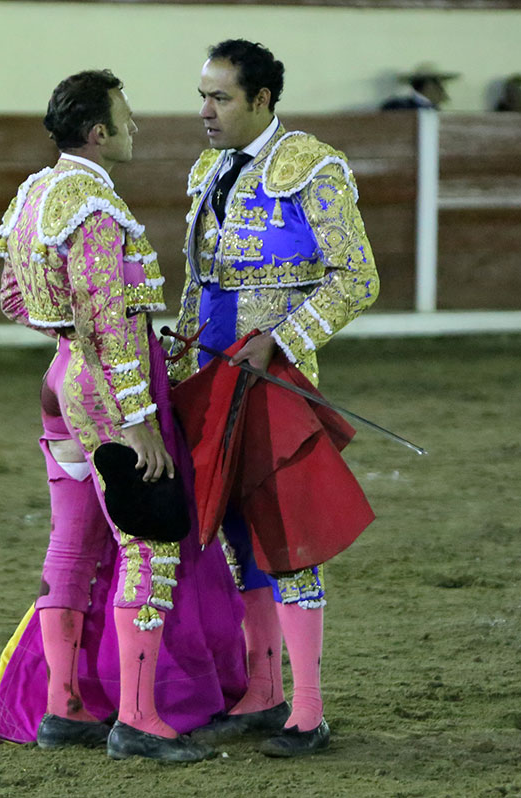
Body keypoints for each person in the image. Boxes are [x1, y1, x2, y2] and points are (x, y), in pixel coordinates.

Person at [0, 69, 246, 763]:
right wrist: (137, 420)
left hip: (61, 381)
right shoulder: (95, 208)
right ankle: (137, 718)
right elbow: (109, 325)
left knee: (71, 545)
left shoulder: (35, 193)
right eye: (127, 118)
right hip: (107, 397)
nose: (138, 128)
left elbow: (17, 297)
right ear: (99, 132)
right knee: (147, 546)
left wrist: (65, 351)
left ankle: (64, 709)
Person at [168, 39, 380, 757]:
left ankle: (310, 711)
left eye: (220, 97)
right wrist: (181, 346)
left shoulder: (312, 167)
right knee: (233, 530)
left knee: (285, 536)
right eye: (203, 95)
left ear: (261, 99)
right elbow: (200, 280)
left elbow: (356, 277)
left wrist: (283, 338)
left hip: (272, 377)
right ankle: (263, 692)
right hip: (211, 366)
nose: (205, 110)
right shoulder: (208, 169)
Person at [381, 62, 459, 110]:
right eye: (439, 84)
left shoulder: (434, 108)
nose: (443, 89)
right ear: (430, 86)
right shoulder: (397, 106)